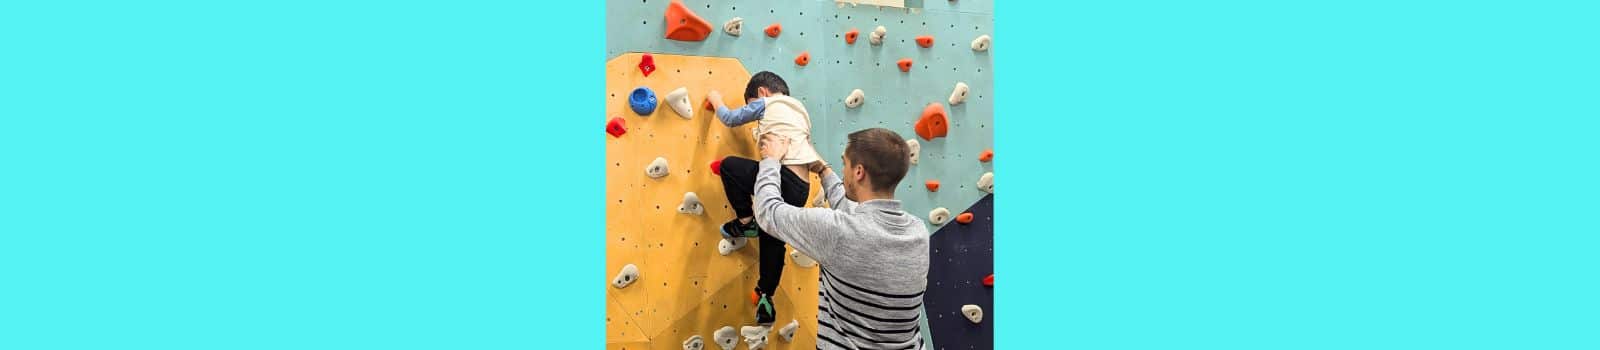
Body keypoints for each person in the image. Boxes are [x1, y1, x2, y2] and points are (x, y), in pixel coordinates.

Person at [752, 128, 929, 349]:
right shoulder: (918, 233)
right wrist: (823, 170)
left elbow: (767, 212)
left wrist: (770, 161)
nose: (843, 169)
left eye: (844, 163)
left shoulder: (838, 232)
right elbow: (857, 219)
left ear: (858, 172)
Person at [705, 71, 821, 325]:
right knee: (773, 237)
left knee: (729, 167)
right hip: (801, 188)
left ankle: (746, 222)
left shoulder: (768, 102)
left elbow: (730, 118)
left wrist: (715, 99)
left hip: (782, 177)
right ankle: (765, 296)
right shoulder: (801, 113)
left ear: (761, 92)